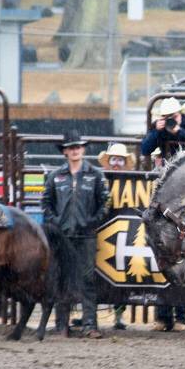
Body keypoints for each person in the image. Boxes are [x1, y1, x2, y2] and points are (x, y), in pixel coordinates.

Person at [141, 98, 185, 332]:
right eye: (167, 117)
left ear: (179, 114)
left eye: (172, 116)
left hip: (184, 197)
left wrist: (178, 130)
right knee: (165, 253)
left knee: (181, 254)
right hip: (168, 197)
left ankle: (181, 316)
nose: (169, 121)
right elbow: (145, 148)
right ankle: (163, 314)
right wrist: (157, 132)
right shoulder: (161, 130)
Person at [42, 130, 110, 338]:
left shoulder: (95, 175)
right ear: (65, 152)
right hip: (63, 237)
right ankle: (62, 324)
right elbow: (46, 204)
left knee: (87, 279)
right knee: (61, 278)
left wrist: (91, 222)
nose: (75, 151)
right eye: (71, 147)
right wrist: (56, 223)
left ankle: (90, 324)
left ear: (83, 149)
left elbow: (105, 204)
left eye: (78, 147)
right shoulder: (55, 177)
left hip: (86, 235)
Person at [98, 142, 136, 330]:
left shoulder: (131, 182)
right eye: (113, 159)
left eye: (120, 160)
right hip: (100, 230)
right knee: (95, 274)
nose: (116, 163)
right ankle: (89, 315)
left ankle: (118, 316)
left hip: (122, 233)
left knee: (121, 273)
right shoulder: (99, 179)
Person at [140, 97, 185, 163]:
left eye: (174, 117)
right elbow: (145, 150)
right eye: (166, 117)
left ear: (181, 114)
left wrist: (180, 132)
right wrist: (156, 131)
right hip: (168, 167)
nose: (171, 120)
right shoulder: (160, 130)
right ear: (162, 117)